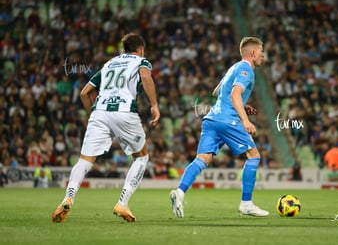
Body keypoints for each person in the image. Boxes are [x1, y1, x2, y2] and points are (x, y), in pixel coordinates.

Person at [52, 33, 160, 223]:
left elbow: (85, 93)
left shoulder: (109, 64)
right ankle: (122, 203)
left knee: (85, 160)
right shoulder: (141, 61)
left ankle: (68, 197)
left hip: (99, 112)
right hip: (124, 110)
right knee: (142, 157)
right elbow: (145, 76)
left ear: (124, 49)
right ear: (141, 49)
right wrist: (154, 105)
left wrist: (92, 115)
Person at [170, 37, 269, 218]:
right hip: (227, 120)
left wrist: (242, 104)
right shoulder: (247, 68)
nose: (263, 55)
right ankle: (246, 204)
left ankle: (180, 192)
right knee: (253, 156)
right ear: (253, 53)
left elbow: (217, 91)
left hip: (212, 119)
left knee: (203, 159)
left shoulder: (234, 67)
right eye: (261, 51)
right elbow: (234, 93)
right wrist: (245, 119)